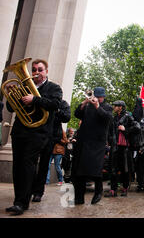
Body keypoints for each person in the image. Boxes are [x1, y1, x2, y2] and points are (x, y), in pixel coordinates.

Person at [4, 59, 62, 216]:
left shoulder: (54, 88)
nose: (36, 72)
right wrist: (10, 94)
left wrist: (34, 99)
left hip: (38, 133)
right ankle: (18, 201)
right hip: (20, 132)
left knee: (27, 165)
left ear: (46, 71)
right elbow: (11, 108)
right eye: (34, 69)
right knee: (18, 167)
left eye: (40, 70)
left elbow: (55, 105)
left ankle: (22, 203)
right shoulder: (23, 86)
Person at [71, 87, 113, 205]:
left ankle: (98, 191)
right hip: (83, 141)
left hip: (97, 143)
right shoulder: (88, 106)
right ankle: (79, 197)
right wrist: (84, 103)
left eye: (99, 97)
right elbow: (77, 114)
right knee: (79, 171)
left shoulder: (107, 107)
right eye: (96, 96)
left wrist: (97, 107)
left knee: (95, 170)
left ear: (103, 97)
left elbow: (108, 119)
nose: (97, 98)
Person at [31, 99, 70, 202]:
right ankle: (29, 188)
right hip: (36, 132)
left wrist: (57, 109)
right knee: (31, 162)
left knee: (45, 164)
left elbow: (67, 117)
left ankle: (38, 191)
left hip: (51, 136)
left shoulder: (62, 103)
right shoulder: (39, 97)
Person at [105, 100, 140, 198]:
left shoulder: (128, 116)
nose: (114, 107)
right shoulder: (114, 118)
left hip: (125, 148)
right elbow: (110, 131)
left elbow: (137, 128)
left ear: (120, 107)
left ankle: (125, 189)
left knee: (125, 169)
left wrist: (126, 129)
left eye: (115, 106)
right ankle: (113, 190)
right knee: (113, 169)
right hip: (115, 147)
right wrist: (109, 140)